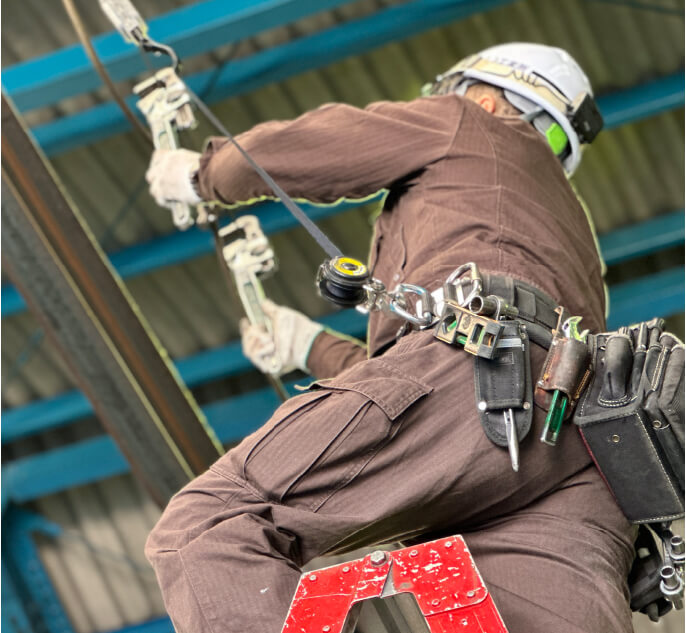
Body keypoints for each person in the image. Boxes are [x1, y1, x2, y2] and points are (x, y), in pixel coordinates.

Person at [144, 43, 636, 632]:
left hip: (484, 386)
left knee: (213, 522)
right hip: (583, 458)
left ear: (482, 94)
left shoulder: (472, 122)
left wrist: (205, 174)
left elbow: (331, 143)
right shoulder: (570, 238)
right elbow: (449, 411)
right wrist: (311, 347)